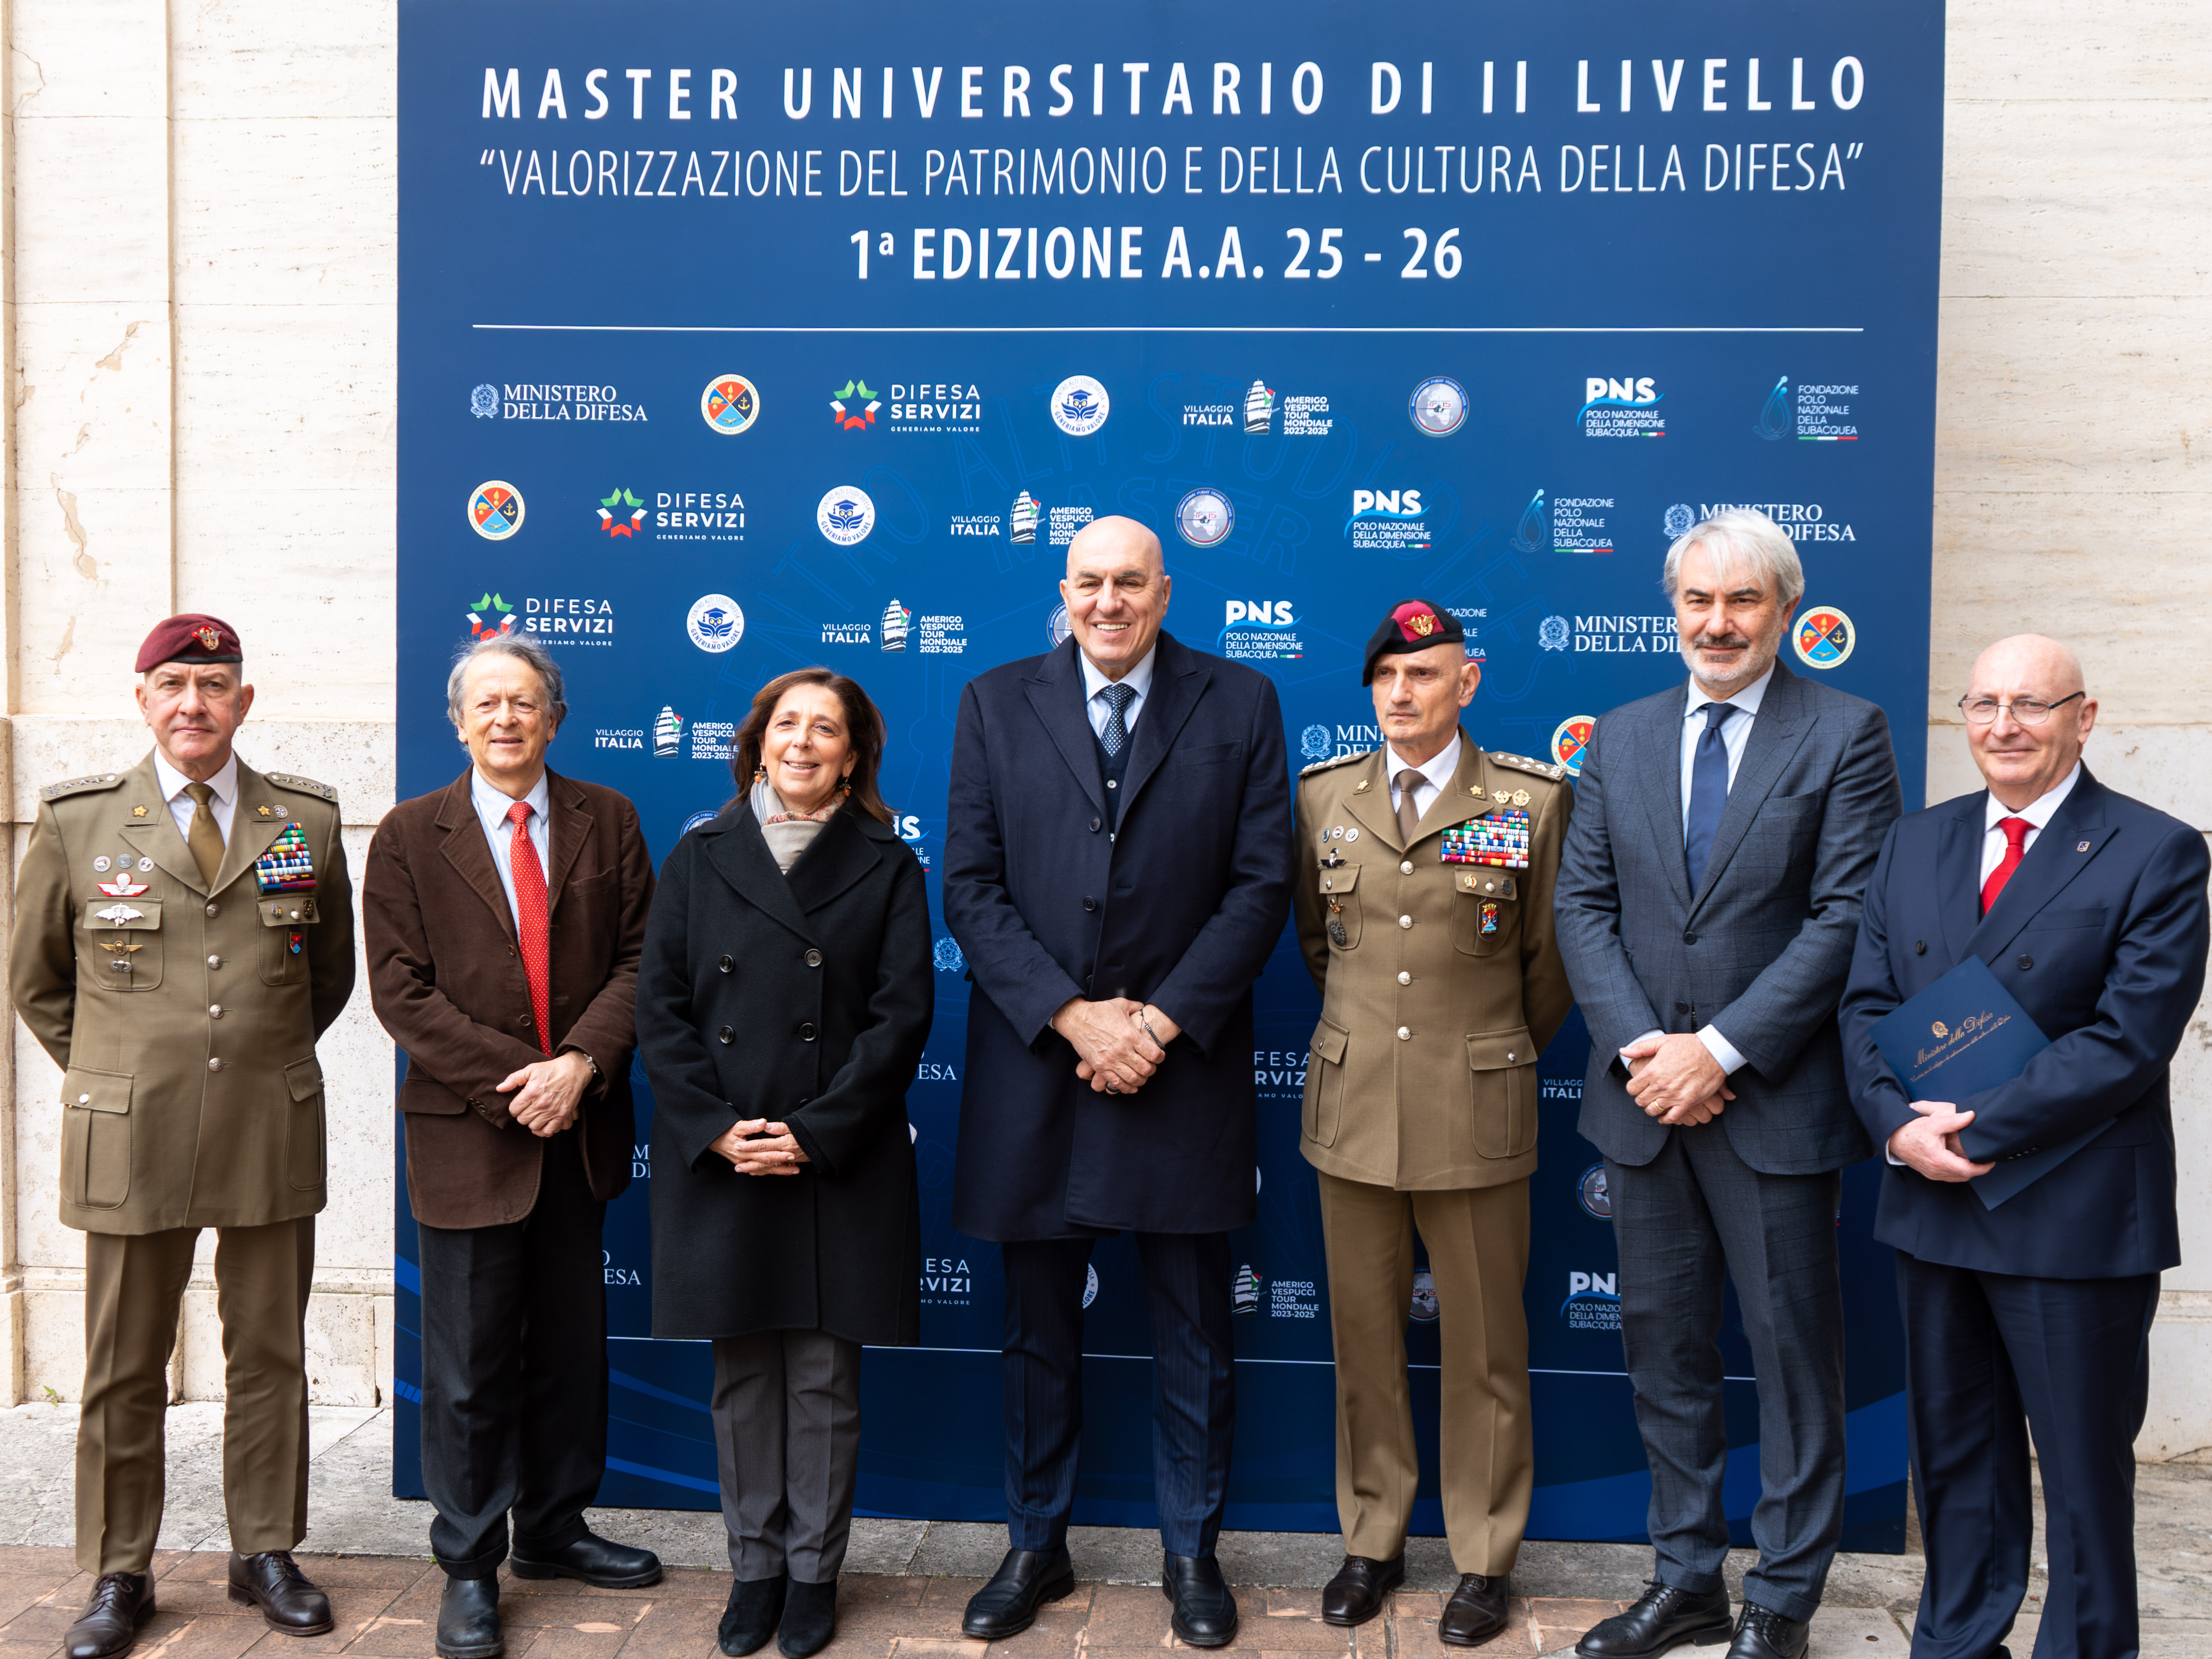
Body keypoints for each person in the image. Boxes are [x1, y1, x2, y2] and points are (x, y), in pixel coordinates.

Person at [1553, 510, 1902, 1659]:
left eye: (1742, 600)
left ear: (1785, 610)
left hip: (1774, 1102)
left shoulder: (1846, 732)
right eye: (1697, 600)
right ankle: (1688, 1579)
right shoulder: (1620, 736)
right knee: (1664, 1353)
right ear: (1673, 609)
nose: (1718, 623)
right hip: (1644, 1102)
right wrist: (1648, 1050)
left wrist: (1720, 1051)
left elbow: (1847, 915)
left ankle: (1783, 1599)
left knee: (1794, 1360)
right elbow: (1582, 908)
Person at [941, 515, 1293, 1647]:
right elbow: (970, 886)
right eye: (1089, 582)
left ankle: (1191, 1554)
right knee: (1037, 1331)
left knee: (1195, 1329)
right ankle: (1034, 1545)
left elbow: (1260, 886)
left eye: (1130, 582)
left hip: (1178, 1069)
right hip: (1040, 1065)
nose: (1108, 602)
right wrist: (1073, 1015)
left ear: (1164, 590)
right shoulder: (995, 701)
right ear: (1065, 588)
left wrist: (1158, 1022)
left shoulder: (1241, 700)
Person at [1838, 635, 2206, 1659]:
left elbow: (2129, 1038)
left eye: (2031, 705)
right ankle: (1957, 1642)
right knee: (1954, 1460)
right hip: (1933, 1199)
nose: (2003, 726)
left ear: (2083, 719)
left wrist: (1972, 1131)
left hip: (2072, 1213)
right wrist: (1897, 1129)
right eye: (1984, 704)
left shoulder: (2156, 850)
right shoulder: (1915, 840)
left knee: (2082, 1473)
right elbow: (1864, 1004)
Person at [9, 616, 355, 1659]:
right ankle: (121, 1569)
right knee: (124, 1362)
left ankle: (265, 1550)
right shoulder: (76, 821)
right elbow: (37, 983)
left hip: (266, 1125)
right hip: (131, 1136)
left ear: (244, 701)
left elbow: (327, 976)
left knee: (270, 1355)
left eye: (213, 684)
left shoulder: (305, 820)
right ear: (143, 700)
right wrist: (117, 1075)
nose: (192, 704)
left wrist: (250, 1060)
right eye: (173, 684)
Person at [363, 633, 661, 1659]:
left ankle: (555, 1529)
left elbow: (642, 962)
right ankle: (468, 1564)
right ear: (458, 722)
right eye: (486, 703)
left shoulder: (609, 820)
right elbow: (400, 992)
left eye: (524, 702)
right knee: (468, 1367)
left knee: (571, 1352)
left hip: (579, 1129)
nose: (505, 718)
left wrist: (578, 1066)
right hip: (471, 1135)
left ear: (554, 719)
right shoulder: (409, 835)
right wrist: (523, 1084)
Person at [1292, 601, 1574, 1644]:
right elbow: (1321, 946)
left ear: (1468, 681)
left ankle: (1484, 1557)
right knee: (1363, 1340)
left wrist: (1479, 1049)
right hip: (1355, 1103)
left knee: (1486, 1348)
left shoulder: (1529, 800)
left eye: (1424, 674)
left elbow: (1547, 966)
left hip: (1474, 1104)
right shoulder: (1324, 796)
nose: (1401, 694)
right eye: (1386, 677)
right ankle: (1371, 1541)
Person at [637, 668, 932, 1659]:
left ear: (854, 757)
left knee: (822, 1381)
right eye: (786, 725)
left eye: (825, 730)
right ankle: (753, 1569)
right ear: (758, 744)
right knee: (743, 1380)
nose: (802, 742)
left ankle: (813, 1574)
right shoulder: (699, 855)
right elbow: (660, 1010)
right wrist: (717, 1127)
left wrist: (814, 1131)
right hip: (725, 1155)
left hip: (836, 1157)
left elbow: (900, 1018)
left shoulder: (889, 865)